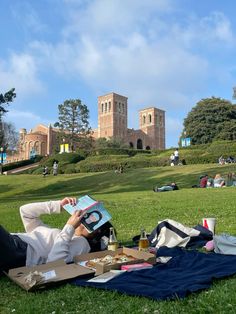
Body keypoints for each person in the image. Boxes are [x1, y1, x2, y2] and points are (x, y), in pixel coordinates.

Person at [0, 197, 112, 274]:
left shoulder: (82, 244)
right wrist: (59, 205)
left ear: (97, 234)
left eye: (96, 225)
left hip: (19, 252)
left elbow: (54, 263)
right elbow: (25, 211)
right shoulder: (63, 235)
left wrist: (70, 227)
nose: (85, 221)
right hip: (14, 243)